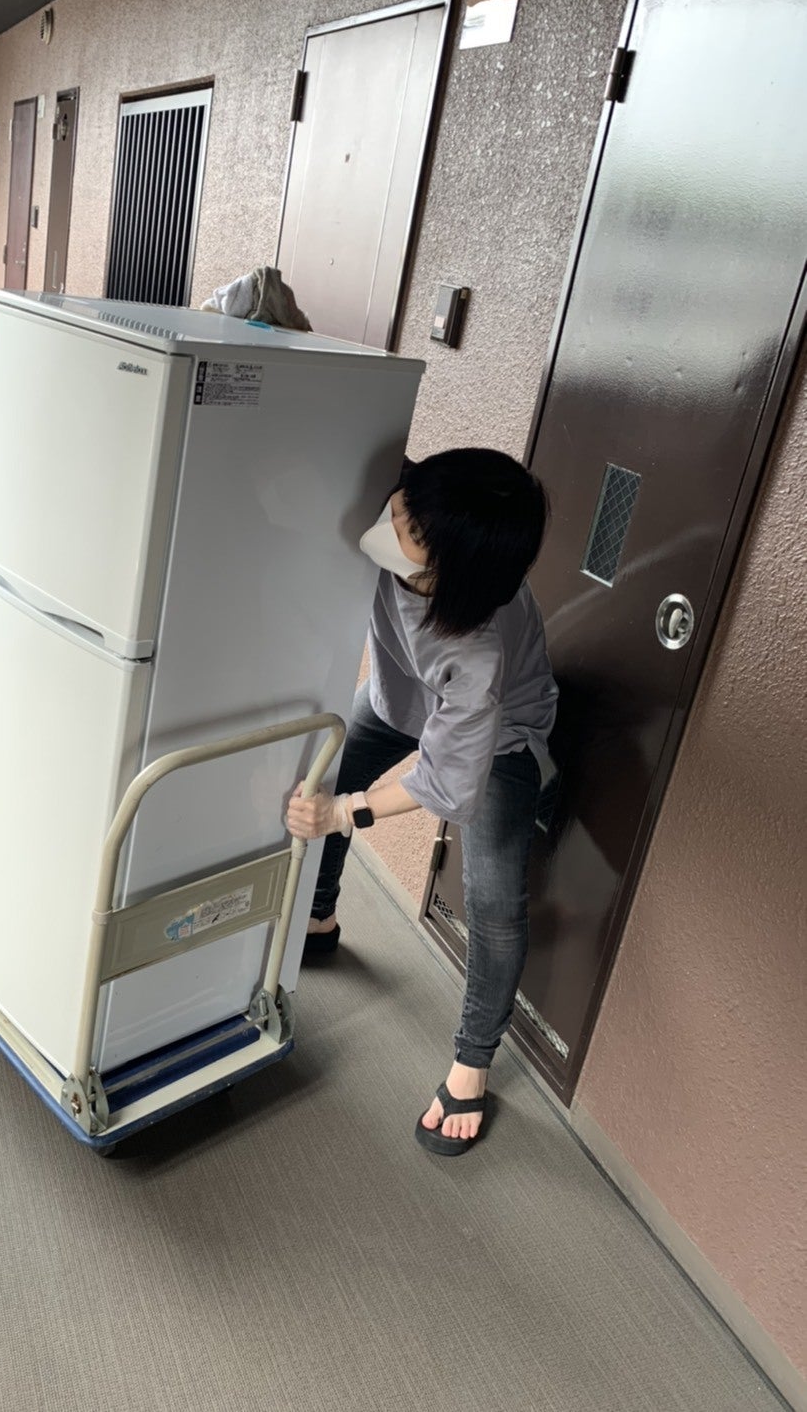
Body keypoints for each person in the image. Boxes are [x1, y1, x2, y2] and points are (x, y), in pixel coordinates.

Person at [285, 448, 557, 1157]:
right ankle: (319, 916)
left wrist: (345, 812)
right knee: (329, 769)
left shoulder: (475, 656)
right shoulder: (416, 496)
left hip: (499, 740)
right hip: (397, 697)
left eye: (403, 530)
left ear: (444, 576)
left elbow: (444, 784)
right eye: (401, 506)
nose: (387, 523)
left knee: (492, 901)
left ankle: (473, 1062)